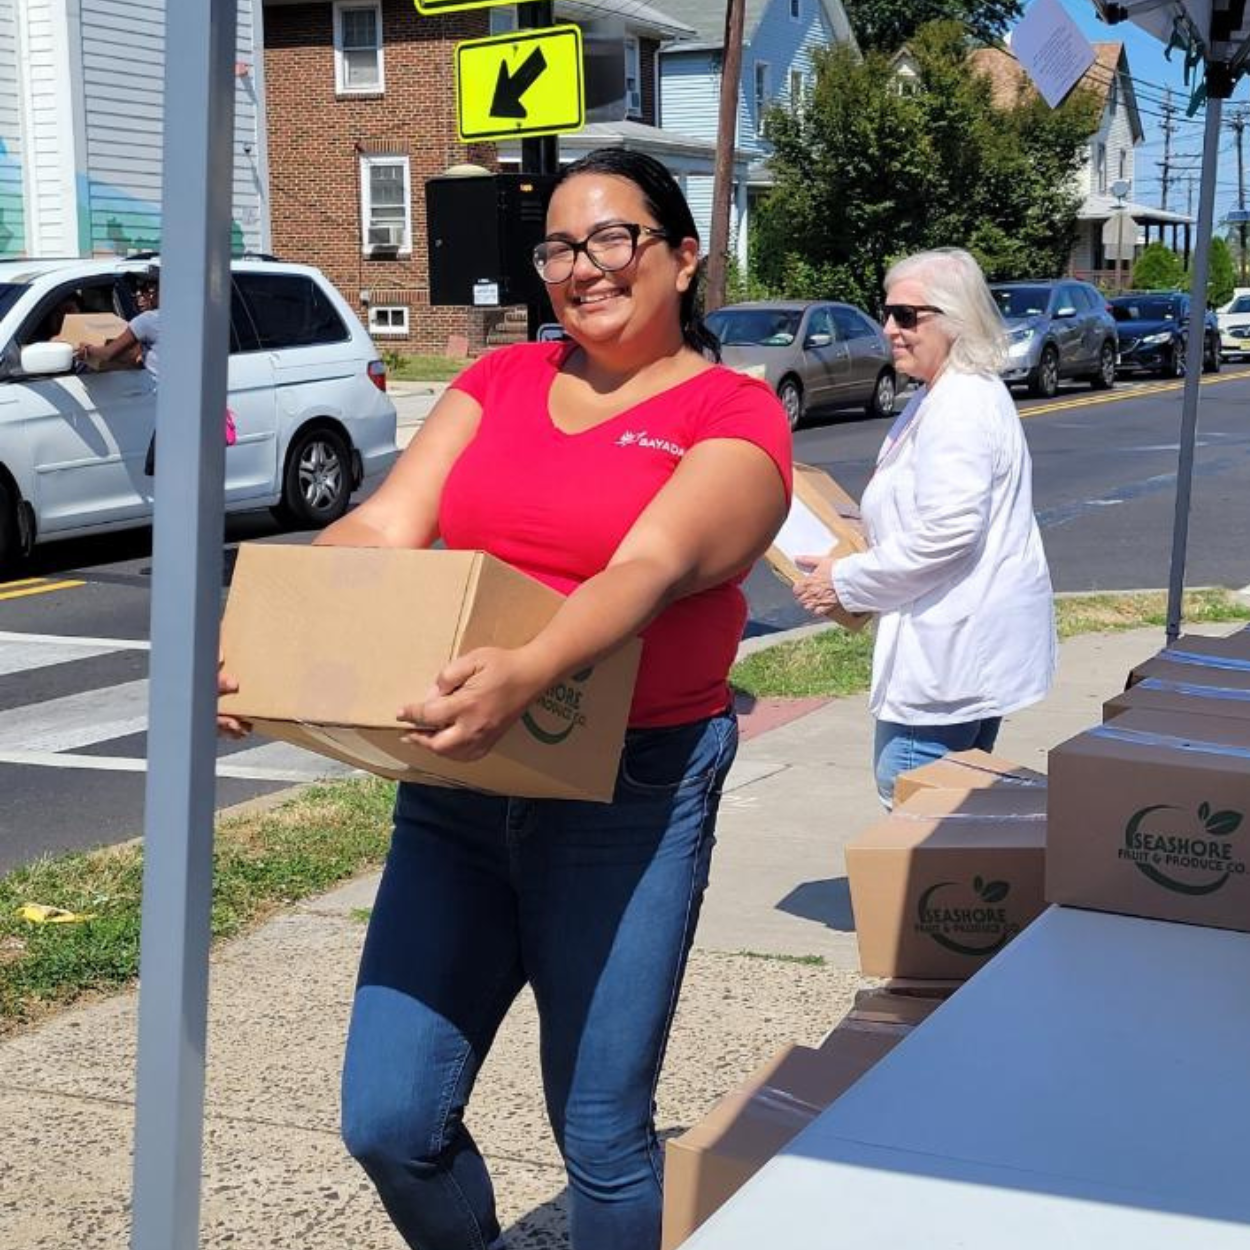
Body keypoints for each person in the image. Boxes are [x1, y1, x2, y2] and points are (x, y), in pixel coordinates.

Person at [218, 148, 791, 1250]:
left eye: (612, 237)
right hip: (457, 786)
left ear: (682, 256)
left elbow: (648, 567)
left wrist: (528, 670)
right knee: (389, 1120)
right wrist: (264, 637)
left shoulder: (734, 414)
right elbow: (383, 529)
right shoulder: (498, 384)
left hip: (630, 791)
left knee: (602, 1137)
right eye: (558, 247)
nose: (582, 267)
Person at [793, 248, 1055, 807]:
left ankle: (920, 898)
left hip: (949, 652)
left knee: (914, 801)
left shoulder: (959, 403)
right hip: (965, 642)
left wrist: (845, 581)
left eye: (907, 316)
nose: (890, 329)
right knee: (959, 805)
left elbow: (949, 532)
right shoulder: (949, 391)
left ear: (955, 318)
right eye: (887, 313)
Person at [76, 266, 160, 380]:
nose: (138, 294)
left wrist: (87, 348)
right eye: (135, 289)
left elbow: (108, 354)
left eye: (145, 289)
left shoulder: (147, 320)